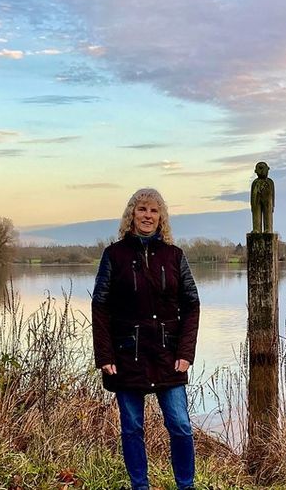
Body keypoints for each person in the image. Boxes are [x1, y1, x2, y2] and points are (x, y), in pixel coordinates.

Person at [92, 188, 200, 490]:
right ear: (131, 214)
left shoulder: (175, 256)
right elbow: (100, 305)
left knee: (180, 426)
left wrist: (186, 352)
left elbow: (192, 304)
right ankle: (140, 486)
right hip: (127, 354)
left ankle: (186, 485)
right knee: (132, 428)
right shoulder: (114, 255)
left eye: (154, 211)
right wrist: (105, 355)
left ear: (161, 217)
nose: (147, 215)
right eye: (141, 209)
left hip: (168, 356)